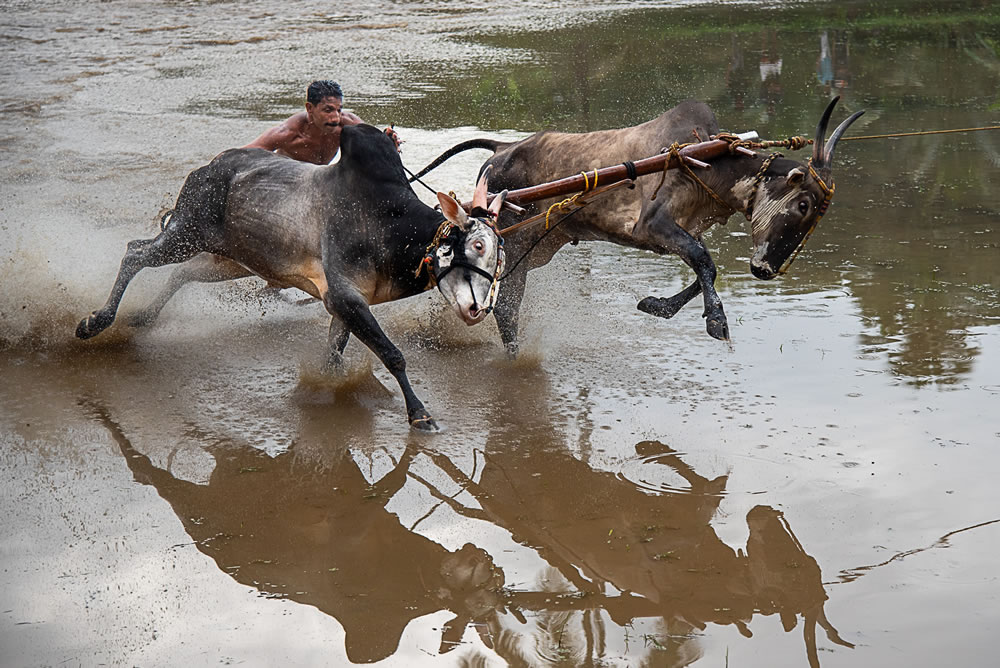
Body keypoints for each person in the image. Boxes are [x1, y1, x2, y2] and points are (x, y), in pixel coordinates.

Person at [243, 80, 399, 164]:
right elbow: (242, 154)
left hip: (320, 179)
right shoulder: (289, 133)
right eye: (328, 110)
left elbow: (376, 141)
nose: (335, 118)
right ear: (310, 108)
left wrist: (388, 141)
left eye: (339, 110)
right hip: (287, 180)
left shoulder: (347, 124)